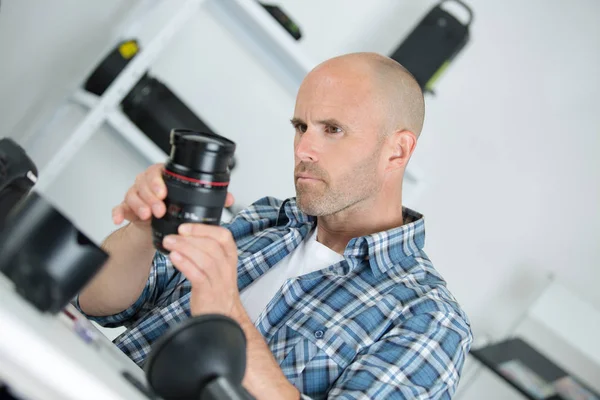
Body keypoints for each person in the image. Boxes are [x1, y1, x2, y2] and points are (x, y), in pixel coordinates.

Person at [77, 52, 472, 399]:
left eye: (332, 129)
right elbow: (95, 303)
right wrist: (144, 229)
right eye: (301, 127)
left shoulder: (428, 317)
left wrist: (226, 314)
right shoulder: (264, 220)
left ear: (397, 150)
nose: (304, 150)